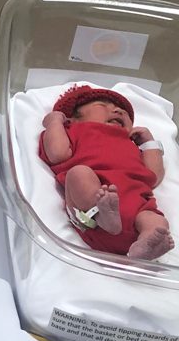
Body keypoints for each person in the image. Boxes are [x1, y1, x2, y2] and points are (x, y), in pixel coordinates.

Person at [39, 84, 173, 260]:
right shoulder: (74, 131)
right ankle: (101, 214)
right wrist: (55, 122)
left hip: (135, 207)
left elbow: (153, 176)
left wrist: (149, 143)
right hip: (91, 215)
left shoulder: (131, 143)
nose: (118, 111)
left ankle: (147, 243)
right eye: (102, 106)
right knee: (79, 174)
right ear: (73, 119)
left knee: (154, 220)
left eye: (122, 111)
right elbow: (57, 153)